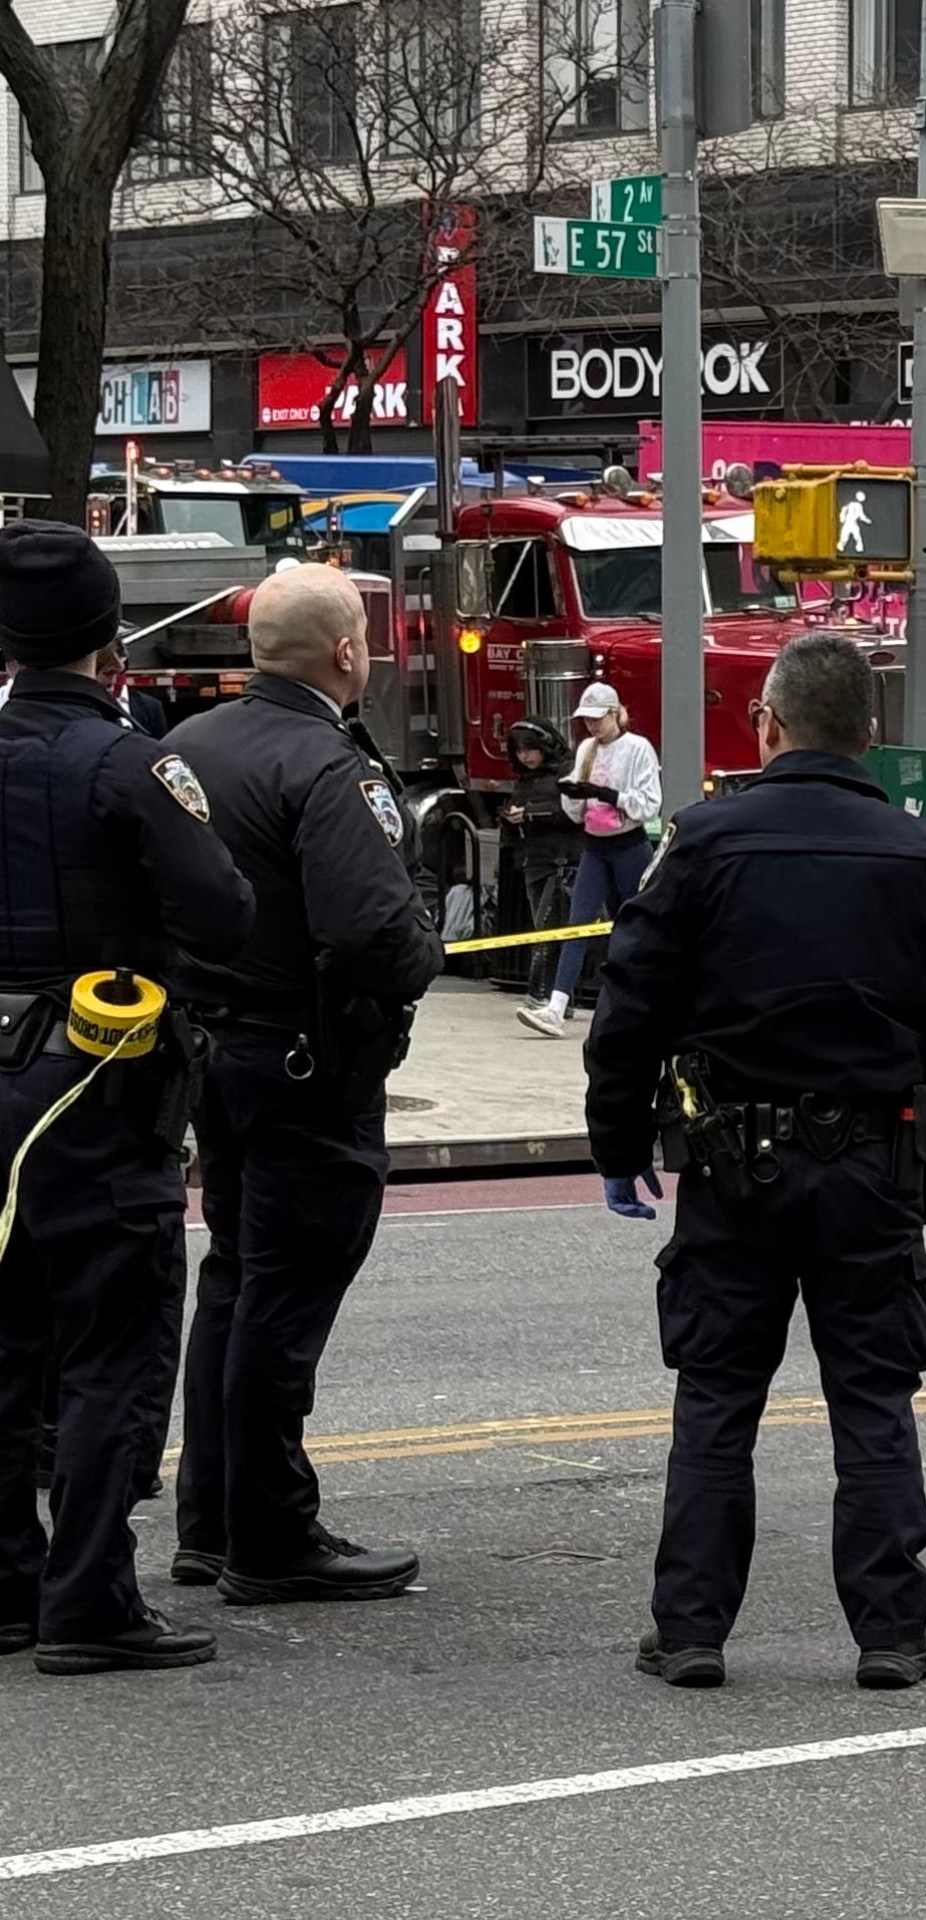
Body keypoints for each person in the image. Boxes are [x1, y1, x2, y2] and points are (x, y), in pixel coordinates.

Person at [585, 633, 926, 1692]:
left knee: (717, 1399)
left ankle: (691, 1630)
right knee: (872, 1400)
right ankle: (892, 1633)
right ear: (868, 735)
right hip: (876, 1164)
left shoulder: (702, 841)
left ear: (767, 724)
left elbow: (629, 1004)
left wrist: (618, 1143)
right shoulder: (920, 852)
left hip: (736, 1166)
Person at [0, 524, 253, 1675]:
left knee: (7, 1342)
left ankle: (6, 1585)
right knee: (114, 1342)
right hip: (98, 1086)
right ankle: (90, 1596)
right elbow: (223, 912)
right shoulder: (126, 763)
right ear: (111, 641)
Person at [168, 563, 442, 1605]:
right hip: (307, 1063)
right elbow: (373, 930)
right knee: (284, 1294)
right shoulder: (331, 766)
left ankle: (212, 1520)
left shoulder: (190, 746)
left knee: (236, 1279)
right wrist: (426, 950)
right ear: (346, 653)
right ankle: (271, 1533)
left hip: (211, 1052)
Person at [518, 683, 661, 1039]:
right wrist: (574, 794)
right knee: (576, 924)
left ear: (615, 714)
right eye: (587, 720)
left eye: (598, 719)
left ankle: (645, 1002)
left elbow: (649, 803)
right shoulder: (586, 749)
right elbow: (576, 810)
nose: (592, 726)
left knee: (637, 925)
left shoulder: (638, 748)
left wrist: (606, 794)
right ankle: (556, 1007)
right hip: (595, 846)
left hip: (629, 846)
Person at [499, 717, 584, 1007]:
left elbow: (572, 812)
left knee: (547, 933)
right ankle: (562, 1000)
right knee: (547, 929)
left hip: (562, 861)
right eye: (520, 751)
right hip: (534, 861)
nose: (526, 756)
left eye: (530, 749)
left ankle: (540, 995)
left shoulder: (568, 773)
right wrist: (510, 820)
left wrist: (530, 814)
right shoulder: (524, 781)